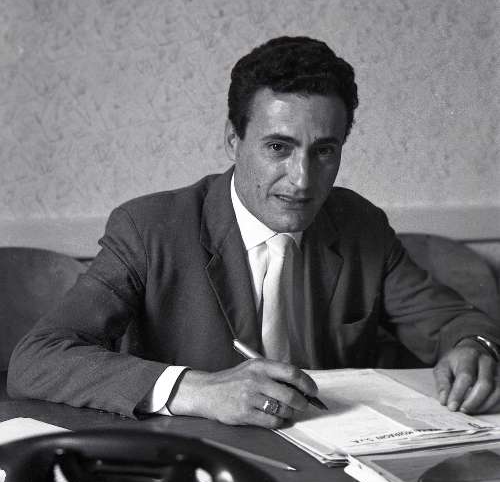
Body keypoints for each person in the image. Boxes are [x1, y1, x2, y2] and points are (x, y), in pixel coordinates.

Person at [8, 36, 500, 427]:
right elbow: (37, 359)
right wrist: (195, 390)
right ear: (233, 139)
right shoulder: (149, 228)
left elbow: (457, 322)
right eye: (278, 148)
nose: (302, 180)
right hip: (197, 465)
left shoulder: (360, 224)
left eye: (324, 151)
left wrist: (474, 348)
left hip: (336, 467)